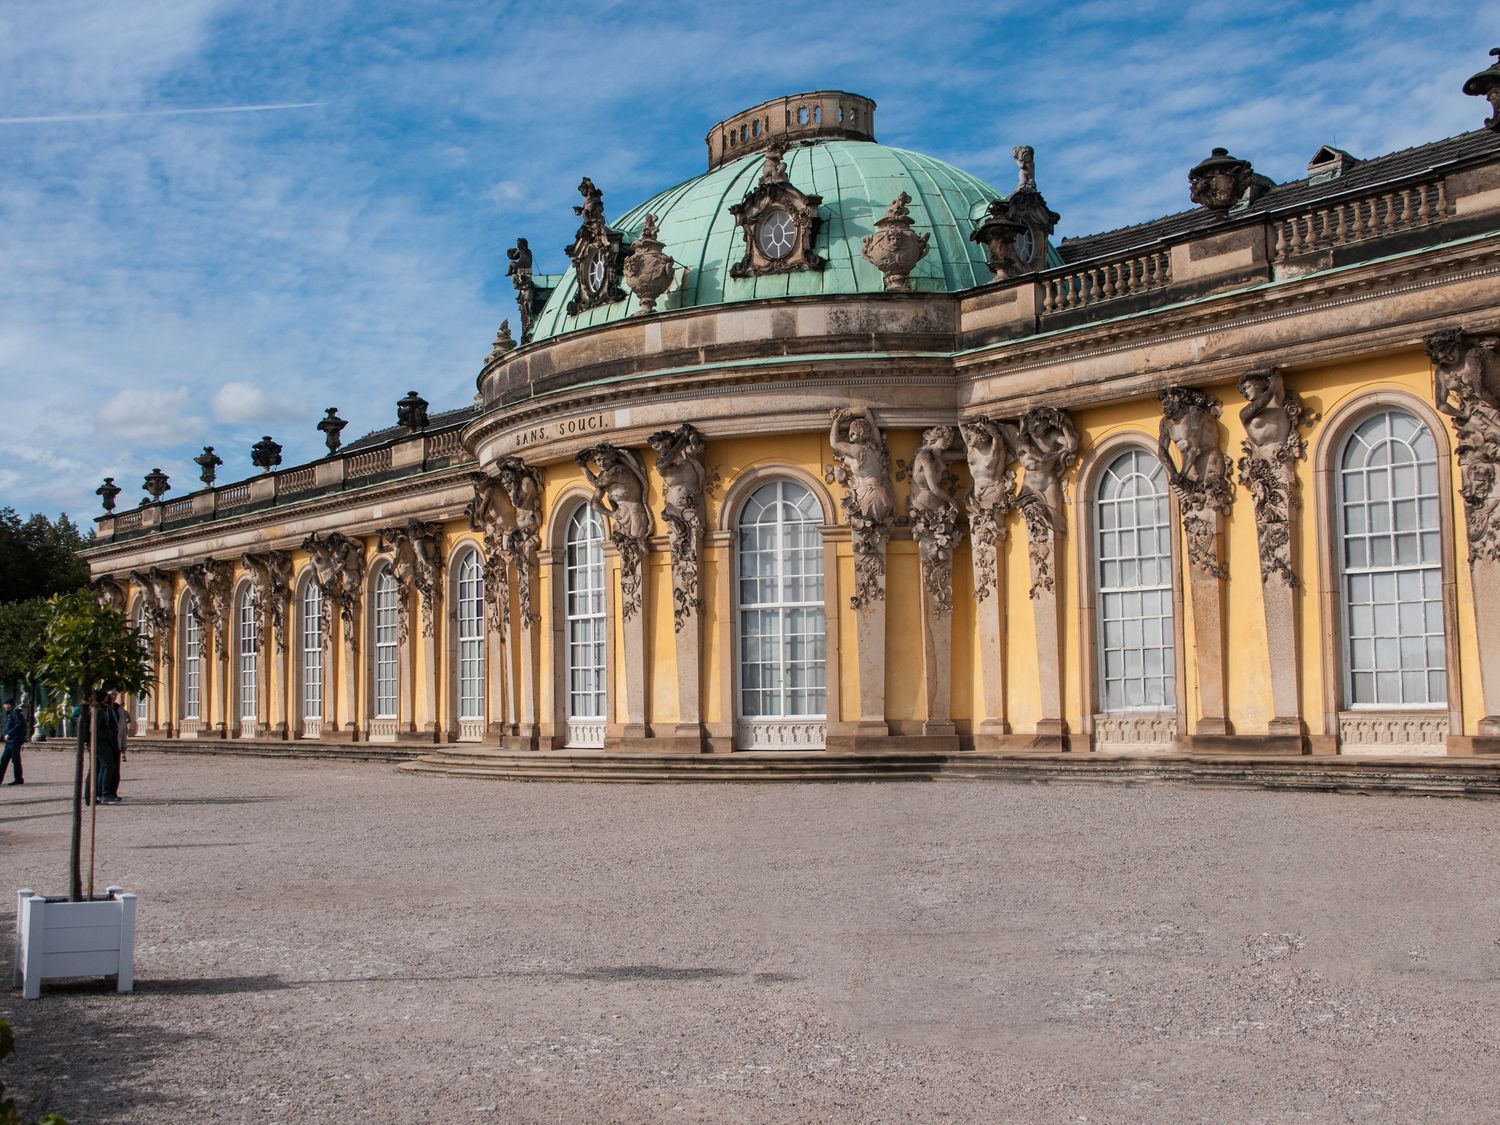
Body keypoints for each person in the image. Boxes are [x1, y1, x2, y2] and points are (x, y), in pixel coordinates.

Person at [90, 695, 122, 805]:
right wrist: (107, 735)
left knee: (106, 766)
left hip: (105, 743)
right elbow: (95, 730)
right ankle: (103, 793)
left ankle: (102, 794)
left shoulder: (109, 710)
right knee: (108, 766)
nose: (113, 697)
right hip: (101, 743)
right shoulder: (100, 711)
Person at [1, 700, 24, 785]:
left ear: (9, 705)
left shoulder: (15, 713)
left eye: (5, 705)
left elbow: (19, 725)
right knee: (4, 760)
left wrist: (10, 734)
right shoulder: (11, 714)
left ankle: (18, 779)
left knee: (15, 760)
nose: (4, 706)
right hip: (10, 741)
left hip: (14, 740)